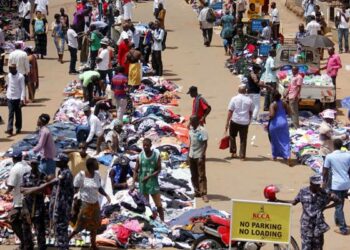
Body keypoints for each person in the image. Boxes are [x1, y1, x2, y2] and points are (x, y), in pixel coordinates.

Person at [69, 158, 111, 250]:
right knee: (80, 225)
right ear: (91, 166)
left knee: (95, 225)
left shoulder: (97, 175)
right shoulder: (81, 175)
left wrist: (106, 195)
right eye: (96, 164)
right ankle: (67, 240)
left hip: (95, 204)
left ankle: (93, 245)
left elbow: (99, 188)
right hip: (85, 204)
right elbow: (75, 188)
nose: (98, 165)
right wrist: (75, 202)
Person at [292, 174, 339, 250]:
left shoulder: (325, 192)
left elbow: (338, 200)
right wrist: (278, 201)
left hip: (318, 226)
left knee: (318, 247)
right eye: (316, 185)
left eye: (318, 184)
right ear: (311, 183)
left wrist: (326, 207)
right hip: (306, 226)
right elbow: (293, 202)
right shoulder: (303, 191)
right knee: (306, 247)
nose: (318, 186)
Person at [20, 156, 48, 250]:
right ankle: (28, 247)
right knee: (26, 230)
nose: (34, 165)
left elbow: (42, 190)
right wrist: (35, 189)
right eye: (32, 163)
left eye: (36, 164)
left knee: (40, 230)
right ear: (30, 164)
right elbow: (22, 190)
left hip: (38, 207)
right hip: (27, 207)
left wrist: (29, 190)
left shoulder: (43, 176)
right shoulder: (25, 176)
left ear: (38, 164)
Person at [133, 138, 164, 221]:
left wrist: (149, 176)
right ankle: (151, 221)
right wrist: (133, 184)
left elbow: (159, 169)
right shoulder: (140, 156)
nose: (145, 147)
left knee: (159, 205)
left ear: (151, 145)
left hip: (153, 183)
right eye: (144, 145)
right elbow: (136, 170)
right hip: (143, 184)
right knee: (146, 205)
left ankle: (163, 220)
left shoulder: (156, 156)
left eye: (147, 145)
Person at [323, 139, 350, 235]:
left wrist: (324, 184)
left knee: (338, 206)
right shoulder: (348, 155)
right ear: (342, 145)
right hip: (346, 183)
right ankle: (338, 222)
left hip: (336, 184)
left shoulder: (329, 156)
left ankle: (343, 229)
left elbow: (325, 171)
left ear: (334, 146)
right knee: (340, 203)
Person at [5, 150, 31, 249]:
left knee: (12, 219)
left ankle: (25, 242)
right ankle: (25, 243)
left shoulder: (15, 169)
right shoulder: (28, 166)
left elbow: (10, 186)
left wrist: (6, 191)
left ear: (13, 158)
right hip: (28, 198)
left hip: (20, 200)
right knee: (25, 222)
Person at [49, 153, 74, 250]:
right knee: (59, 230)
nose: (56, 162)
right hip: (59, 206)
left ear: (63, 162)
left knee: (61, 230)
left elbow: (54, 182)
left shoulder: (66, 173)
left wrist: (37, 188)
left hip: (62, 208)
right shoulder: (61, 171)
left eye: (58, 161)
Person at [225, 85, 254, 160]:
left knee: (232, 136)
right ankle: (242, 156)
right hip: (245, 122)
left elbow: (230, 111)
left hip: (235, 120)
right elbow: (251, 112)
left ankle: (234, 152)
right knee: (243, 139)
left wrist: (227, 122)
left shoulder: (234, 99)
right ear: (245, 91)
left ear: (238, 91)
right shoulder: (249, 100)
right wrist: (249, 120)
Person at [188, 115, 209, 202]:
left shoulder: (202, 130)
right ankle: (197, 191)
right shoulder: (191, 131)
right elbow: (190, 143)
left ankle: (203, 193)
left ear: (197, 121)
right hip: (191, 155)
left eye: (192, 121)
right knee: (193, 175)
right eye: (191, 121)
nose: (191, 123)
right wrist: (187, 155)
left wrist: (202, 155)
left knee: (201, 175)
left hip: (199, 156)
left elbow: (205, 144)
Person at [268, 91, 291, 163]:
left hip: (275, 124)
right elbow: (290, 112)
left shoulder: (273, 104)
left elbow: (272, 115)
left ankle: (275, 156)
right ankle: (287, 155)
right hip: (284, 123)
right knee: (285, 140)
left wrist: (267, 119)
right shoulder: (284, 103)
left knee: (275, 140)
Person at [5, 64, 26, 136]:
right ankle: (9, 129)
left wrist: (22, 99)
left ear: (15, 68)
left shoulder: (20, 76)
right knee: (11, 113)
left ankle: (18, 127)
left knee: (18, 113)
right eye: (9, 68)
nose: (10, 70)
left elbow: (23, 88)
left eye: (11, 69)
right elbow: (8, 85)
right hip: (10, 97)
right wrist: (6, 95)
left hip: (17, 97)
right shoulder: (9, 75)